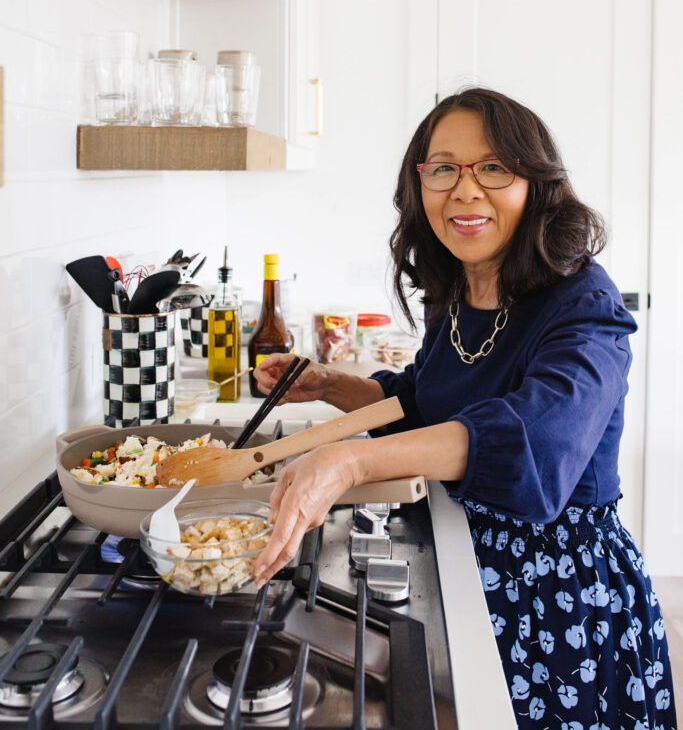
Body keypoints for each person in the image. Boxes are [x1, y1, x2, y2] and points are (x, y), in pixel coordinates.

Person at [252, 87, 677, 730]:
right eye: (444, 167)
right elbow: (426, 407)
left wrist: (349, 462)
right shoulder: (456, 288)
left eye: (494, 169)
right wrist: (332, 383)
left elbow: (539, 439)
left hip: (559, 599)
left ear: (536, 184)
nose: (466, 191)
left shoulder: (583, 301)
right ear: (419, 184)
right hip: (462, 562)